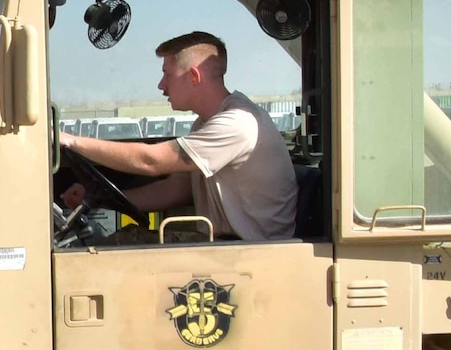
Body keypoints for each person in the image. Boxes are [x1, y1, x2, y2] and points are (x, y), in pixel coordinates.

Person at [58, 30, 297, 241]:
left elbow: (151, 161)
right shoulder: (206, 123)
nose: (161, 85)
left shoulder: (236, 123)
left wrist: (70, 140)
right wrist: (100, 198)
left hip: (249, 253)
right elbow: (177, 189)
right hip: (227, 247)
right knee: (118, 243)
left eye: (167, 74)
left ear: (194, 76)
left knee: (111, 255)